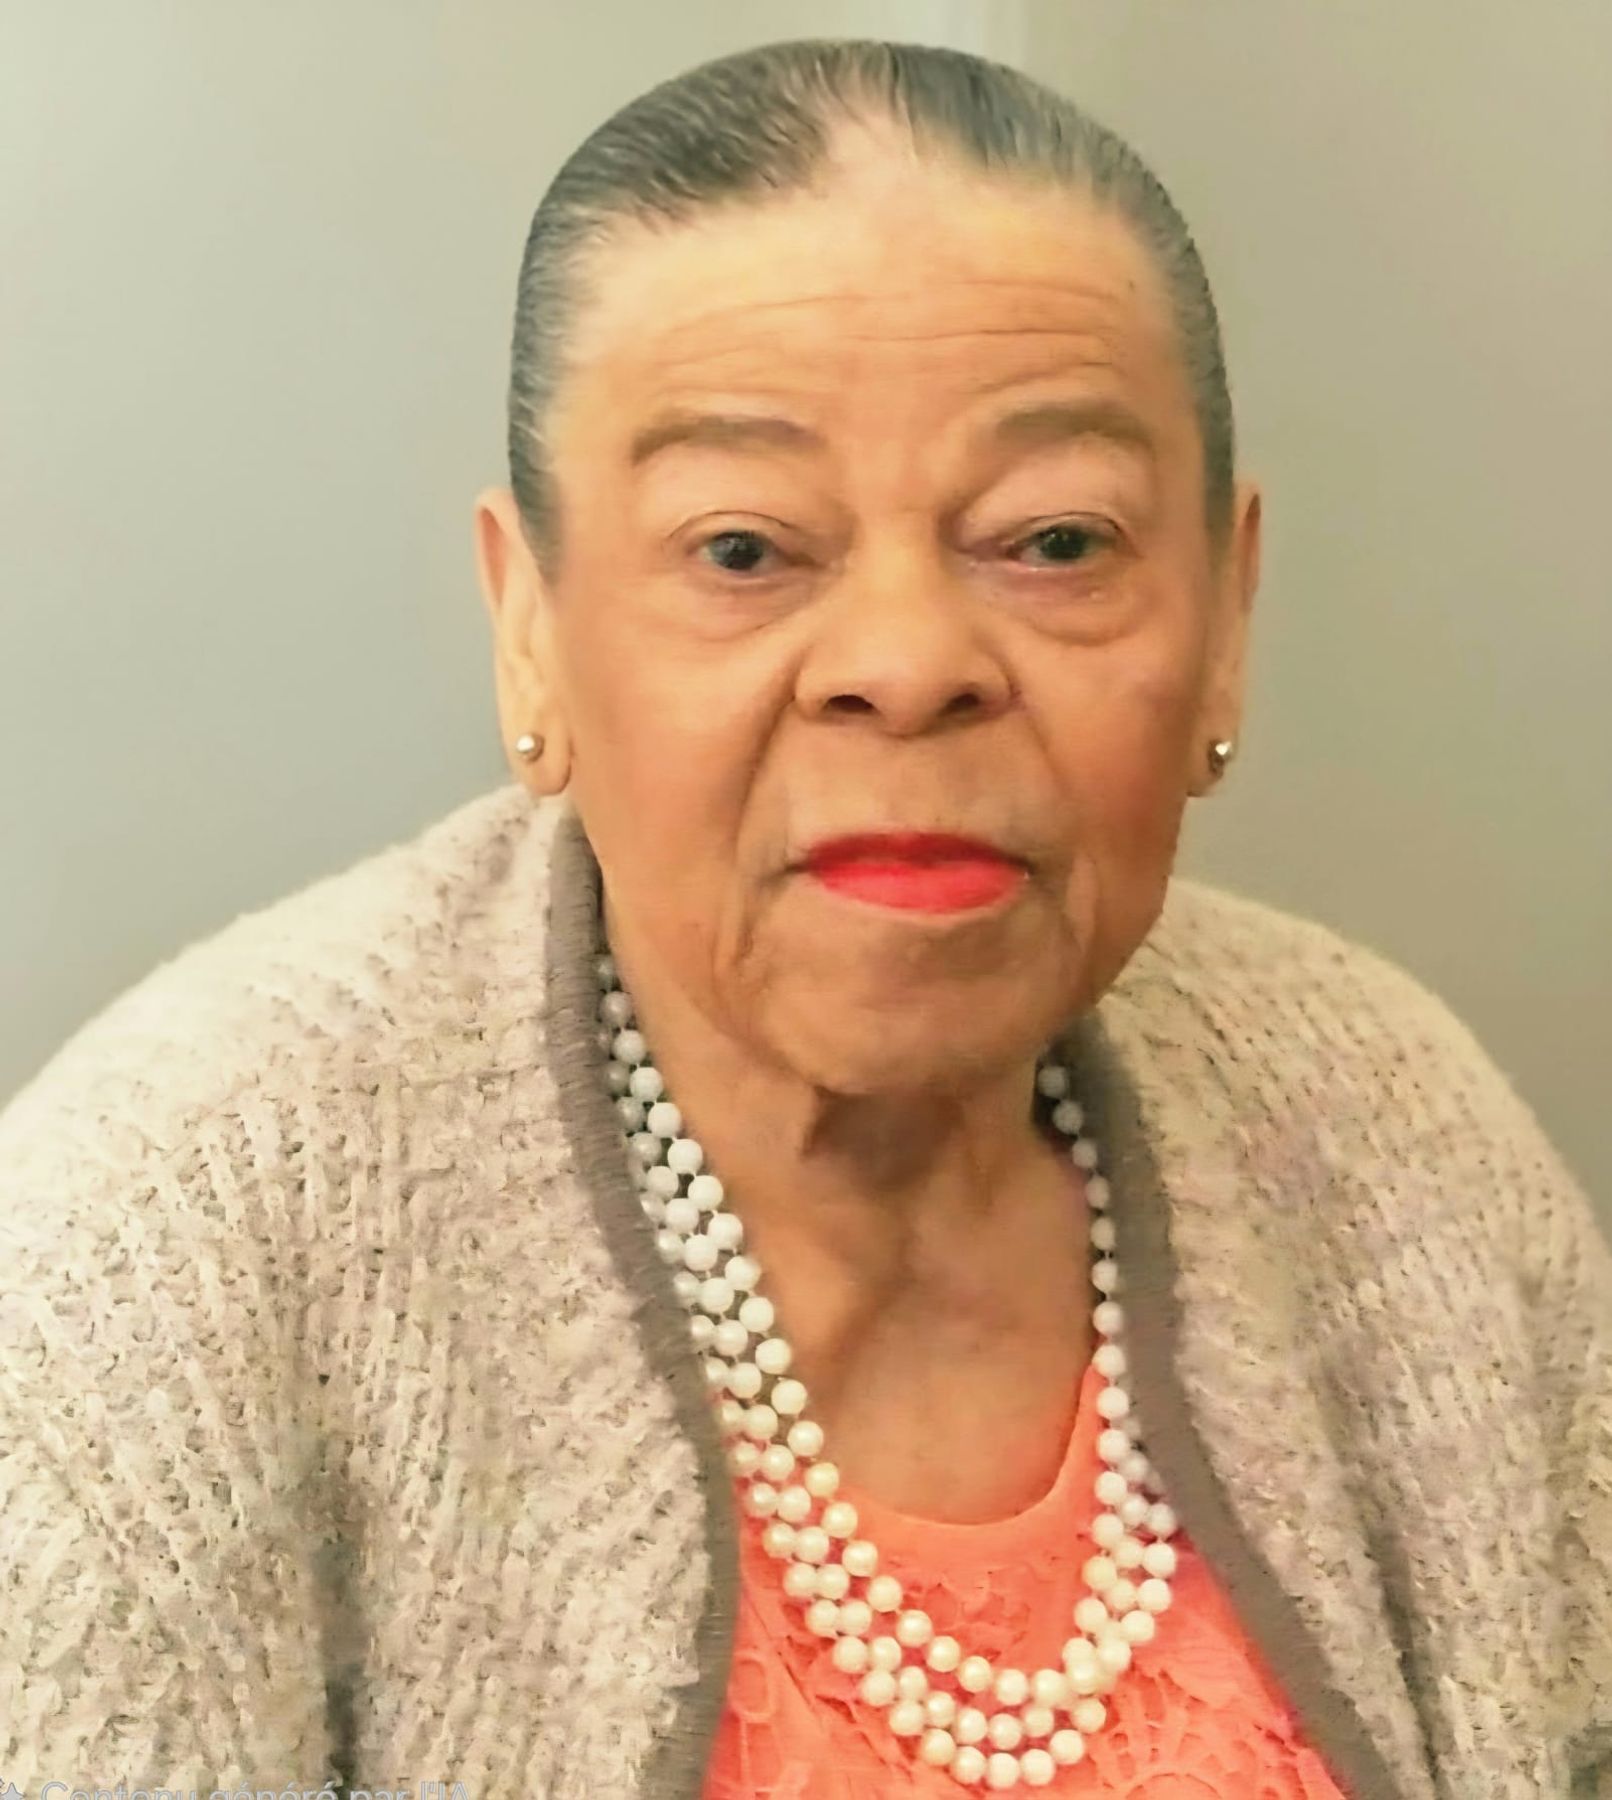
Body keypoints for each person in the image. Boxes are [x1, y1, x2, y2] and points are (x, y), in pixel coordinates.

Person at [2, 36, 1606, 1800]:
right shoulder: (159, 1264)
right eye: (745, 549)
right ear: (530, 630)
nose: (907, 667)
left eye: (1055, 540)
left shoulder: (1393, 1131)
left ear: (1225, 617)